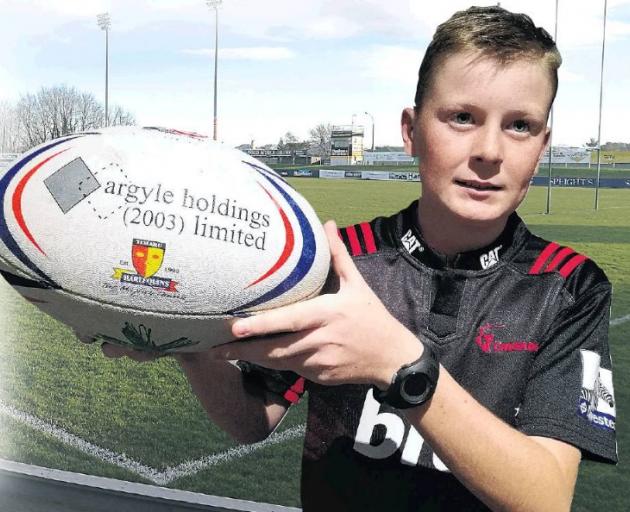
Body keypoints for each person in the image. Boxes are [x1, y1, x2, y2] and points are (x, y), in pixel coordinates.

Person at [101, 6, 617, 511]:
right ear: (411, 130)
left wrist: (401, 366)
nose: (489, 150)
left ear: (543, 144)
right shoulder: (340, 260)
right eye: (462, 117)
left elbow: (545, 497)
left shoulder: (569, 287)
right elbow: (252, 418)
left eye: (520, 126)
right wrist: (186, 343)